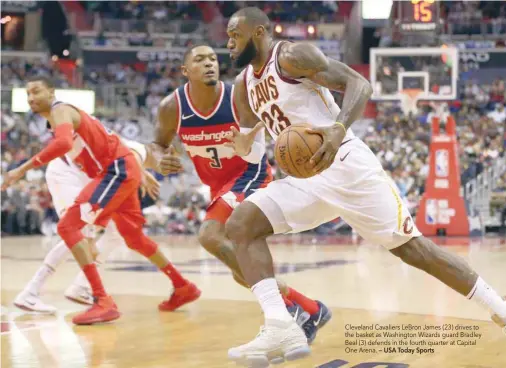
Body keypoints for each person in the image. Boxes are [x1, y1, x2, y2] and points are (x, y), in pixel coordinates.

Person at [223, 7, 506, 367]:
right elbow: (253, 141)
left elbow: (360, 84)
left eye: (236, 35)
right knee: (240, 226)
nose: (230, 43)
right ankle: (281, 324)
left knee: (414, 250)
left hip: (344, 164)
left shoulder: (292, 56)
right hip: (306, 178)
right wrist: (243, 147)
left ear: (260, 32)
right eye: (228, 37)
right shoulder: (244, 86)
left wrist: (338, 127)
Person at [145, 44, 330, 343]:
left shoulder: (236, 96)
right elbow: (155, 145)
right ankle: (311, 308)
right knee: (241, 271)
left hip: (248, 175)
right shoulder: (172, 107)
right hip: (218, 187)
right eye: (200, 59)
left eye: (212, 59)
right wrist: (157, 160)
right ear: (185, 71)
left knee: (209, 235)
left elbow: (264, 133)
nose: (209, 64)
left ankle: (286, 310)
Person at [2, 76, 200, 325]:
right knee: (133, 237)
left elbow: (64, 143)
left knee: (68, 227)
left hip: (114, 172)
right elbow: (113, 145)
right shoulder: (67, 119)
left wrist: (21, 169)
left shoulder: (60, 109)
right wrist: (141, 173)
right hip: (116, 172)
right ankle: (182, 285)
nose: (31, 98)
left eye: (36, 92)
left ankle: (101, 299)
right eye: (27, 94)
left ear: (51, 92)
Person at [13, 137, 160, 313]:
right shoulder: (138, 150)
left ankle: (81, 286)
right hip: (66, 173)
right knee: (77, 232)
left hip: (84, 176)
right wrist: (90, 236)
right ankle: (30, 292)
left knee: (115, 233)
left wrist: (143, 173)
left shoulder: (133, 160)